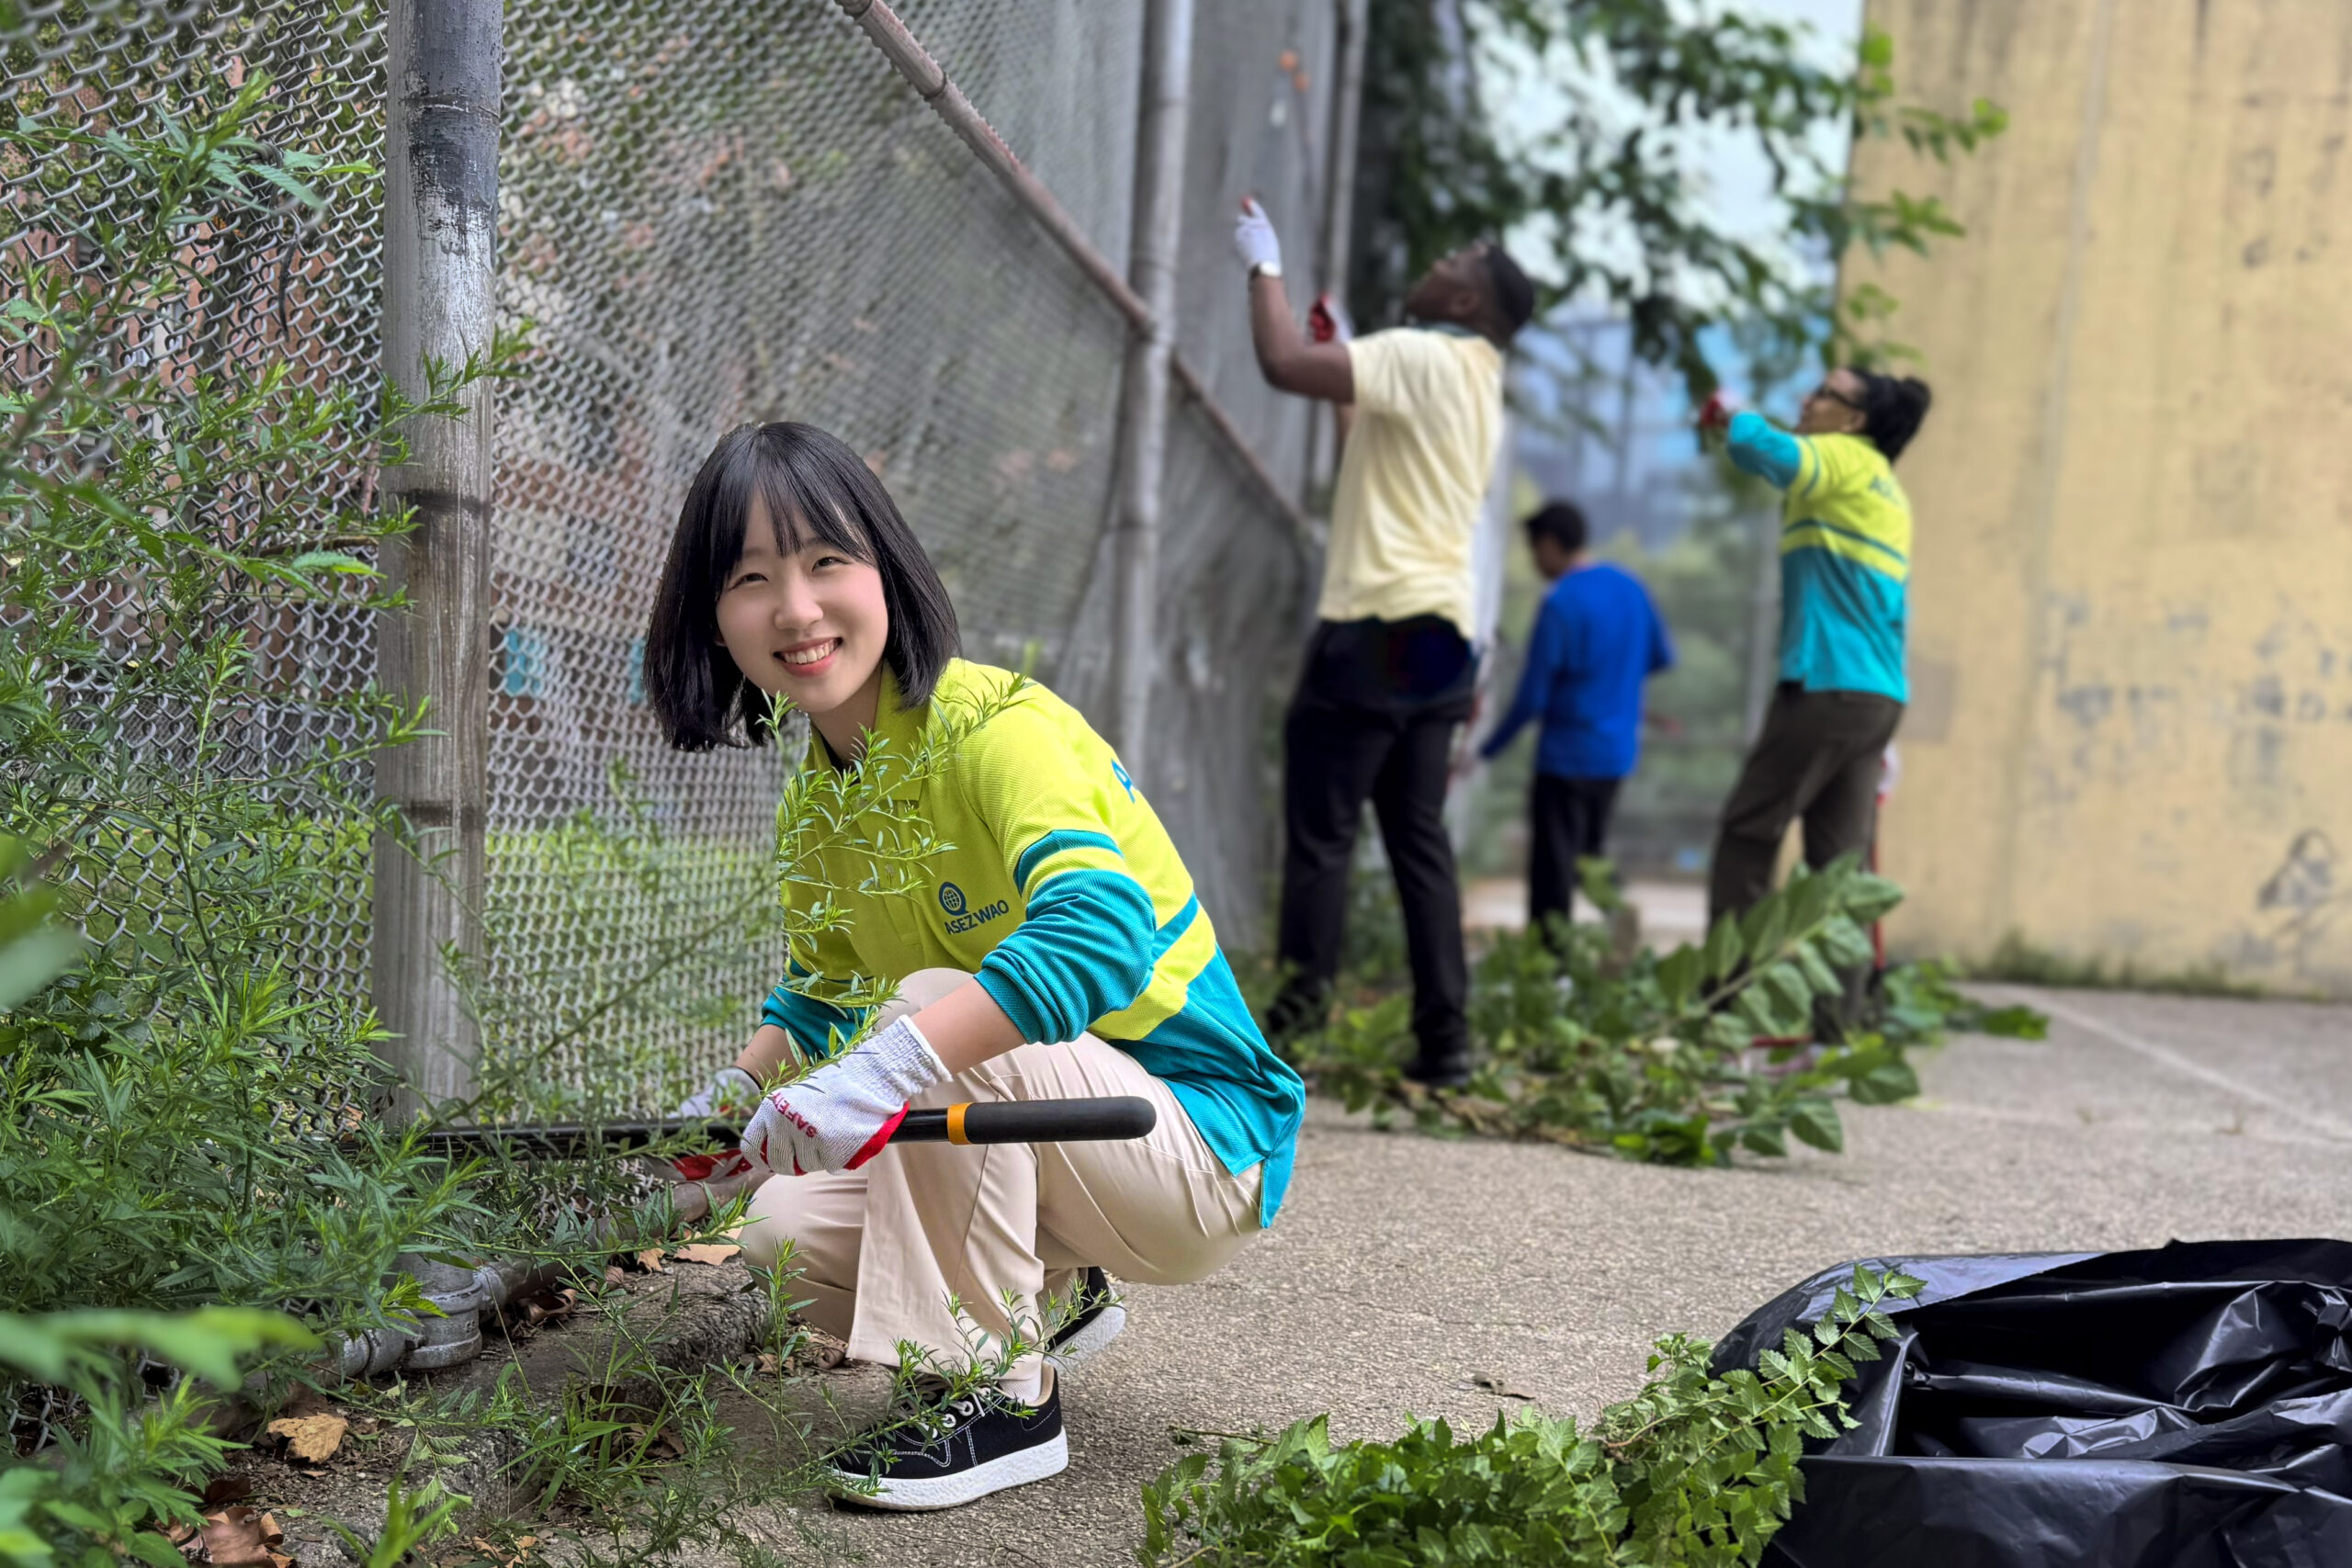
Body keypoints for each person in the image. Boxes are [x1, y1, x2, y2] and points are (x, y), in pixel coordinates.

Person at [643, 422, 1305, 1510]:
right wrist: (724, 1112)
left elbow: (1097, 933)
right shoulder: (819, 800)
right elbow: (822, 997)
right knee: (778, 1233)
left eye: (825, 562)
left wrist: (884, 1067)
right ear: (712, 618)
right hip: (1071, 1146)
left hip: (1193, 1144)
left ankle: (999, 1397)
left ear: (887, 571)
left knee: (933, 1010)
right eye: (750, 580)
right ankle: (1051, 1295)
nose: (795, 610)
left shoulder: (997, 726)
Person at [1233, 196, 1536, 1088]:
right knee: (1417, 841)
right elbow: (1361, 444)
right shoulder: (1477, 379)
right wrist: (1348, 357)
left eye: (1455, 263)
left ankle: (1290, 1034)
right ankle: (1446, 1040)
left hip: (1374, 629)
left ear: (1468, 302)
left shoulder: (1420, 354)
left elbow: (1283, 363)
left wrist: (1263, 266)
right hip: (1443, 640)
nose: (1438, 264)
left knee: (1322, 837)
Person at [1697, 367, 1932, 941]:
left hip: (1826, 686)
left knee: (1749, 832)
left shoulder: (1844, 457)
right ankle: (1845, 1001)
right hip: (1876, 697)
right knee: (1839, 866)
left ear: (1854, 420)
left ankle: (1731, 989)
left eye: (1824, 394)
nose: (1806, 399)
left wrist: (1732, 411)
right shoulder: (1889, 492)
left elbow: (1764, 450)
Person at [1476, 500, 1674, 940]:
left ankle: (1549, 964)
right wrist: (1617, 687)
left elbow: (1533, 697)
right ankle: (1619, 917)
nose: (1535, 563)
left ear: (1550, 545)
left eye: (1534, 552)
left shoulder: (1561, 601)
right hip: (1616, 754)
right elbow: (1660, 656)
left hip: (1565, 757)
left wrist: (1485, 751)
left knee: (1552, 869)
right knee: (1589, 855)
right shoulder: (1632, 589)